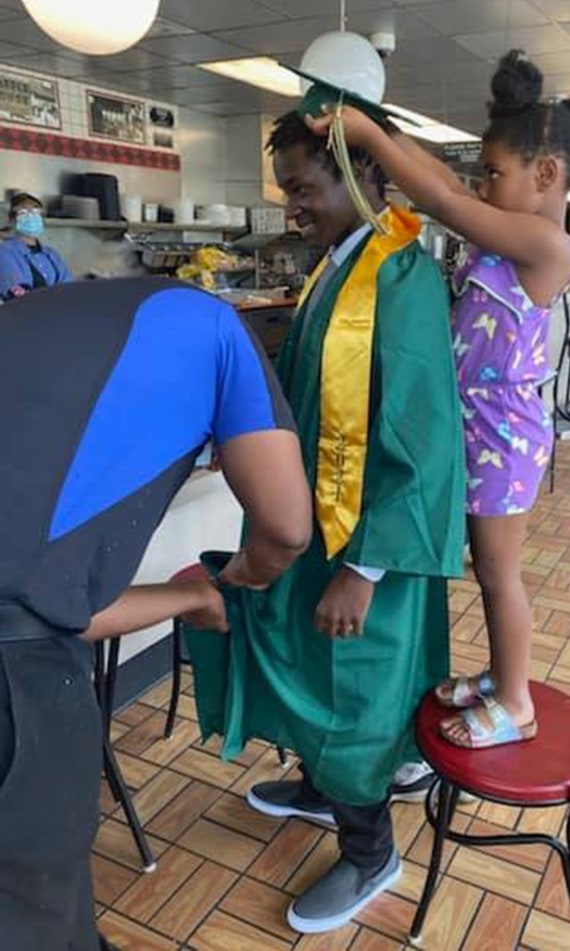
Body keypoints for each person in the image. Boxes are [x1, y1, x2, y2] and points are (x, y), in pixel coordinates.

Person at [184, 101, 465, 934]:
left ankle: (371, 848)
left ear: (362, 174)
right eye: (286, 192)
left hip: (367, 547)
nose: (293, 208)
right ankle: (320, 784)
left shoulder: (399, 274)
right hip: (321, 528)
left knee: (358, 696)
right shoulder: (335, 268)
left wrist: (365, 567)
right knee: (313, 671)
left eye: (304, 188)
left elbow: (420, 437)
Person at [309, 50, 570, 749]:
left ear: (545, 175)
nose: (481, 184)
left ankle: (517, 700)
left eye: (495, 172)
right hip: (476, 431)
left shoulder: (547, 246)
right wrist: (389, 131)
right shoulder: (504, 232)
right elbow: (448, 184)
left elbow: (444, 199)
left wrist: (368, 137)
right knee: (487, 570)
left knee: (498, 571)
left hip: (503, 438)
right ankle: (498, 676)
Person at [0, 276, 312, 951]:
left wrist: (194, 598)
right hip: (16, 690)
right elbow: (287, 530)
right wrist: (239, 578)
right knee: (37, 916)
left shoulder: (42, 324)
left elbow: (52, 610)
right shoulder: (223, 333)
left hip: (23, 643)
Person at [0, 192, 71, 299]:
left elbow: (68, 288)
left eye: (35, 211)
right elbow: (17, 292)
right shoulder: (5, 252)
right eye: (23, 212)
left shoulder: (51, 254)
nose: (31, 216)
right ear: (12, 220)